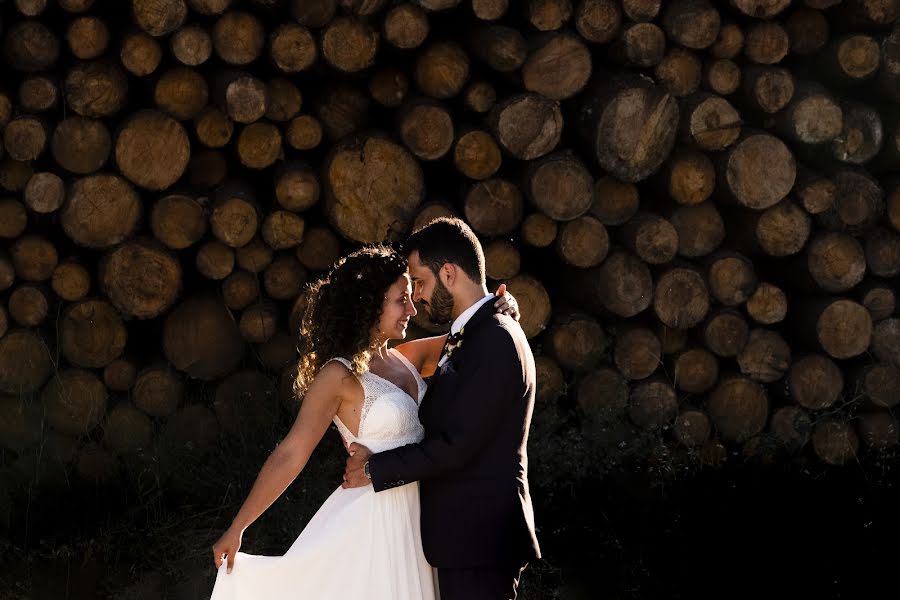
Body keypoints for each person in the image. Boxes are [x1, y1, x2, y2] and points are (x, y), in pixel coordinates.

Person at [209, 244, 519, 600]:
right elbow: (291, 453)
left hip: (422, 518)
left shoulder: (408, 358)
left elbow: (476, 336)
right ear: (370, 305)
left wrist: (504, 309)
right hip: (374, 524)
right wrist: (239, 527)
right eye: (401, 299)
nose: (412, 309)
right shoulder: (337, 376)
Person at [343, 218, 541, 600]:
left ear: (448, 273)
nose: (416, 297)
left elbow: (457, 445)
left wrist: (374, 468)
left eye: (420, 282)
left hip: (480, 539)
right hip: (466, 539)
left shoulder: (495, 339)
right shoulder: (473, 333)